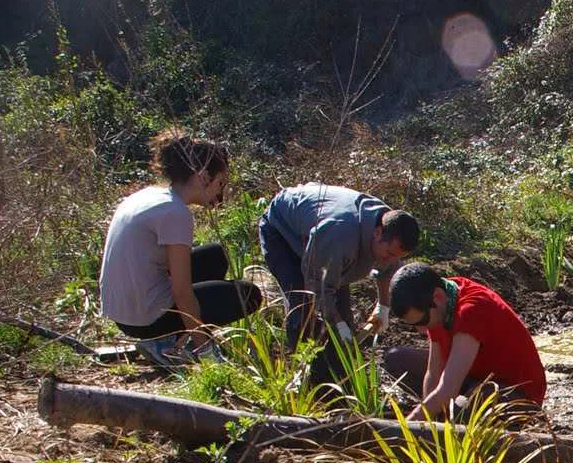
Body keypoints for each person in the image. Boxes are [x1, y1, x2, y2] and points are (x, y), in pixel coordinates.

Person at [98, 129, 262, 366]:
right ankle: (164, 343)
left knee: (216, 255)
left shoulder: (149, 196)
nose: (220, 192)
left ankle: (167, 337)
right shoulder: (176, 213)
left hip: (123, 313)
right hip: (146, 320)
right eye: (220, 183)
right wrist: (205, 348)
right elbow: (182, 292)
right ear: (204, 176)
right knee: (248, 295)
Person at [257, 182, 419, 381]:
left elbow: (387, 271)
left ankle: (339, 376)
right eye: (389, 254)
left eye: (397, 256)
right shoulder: (340, 234)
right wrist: (337, 323)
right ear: (377, 233)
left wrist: (383, 307)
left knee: (343, 322)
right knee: (303, 309)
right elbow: (320, 288)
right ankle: (307, 376)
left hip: (322, 244)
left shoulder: (389, 228)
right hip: (283, 232)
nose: (391, 260)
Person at [382, 262, 547, 419]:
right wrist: (428, 419)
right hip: (473, 378)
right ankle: (445, 409)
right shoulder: (440, 300)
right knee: (396, 359)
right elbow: (433, 372)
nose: (421, 330)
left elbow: (448, 388)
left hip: (515, 393)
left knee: (460, 414)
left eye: (422, 322)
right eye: (414, 325)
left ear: (438, 297)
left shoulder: (471, 310)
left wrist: (411, 426)